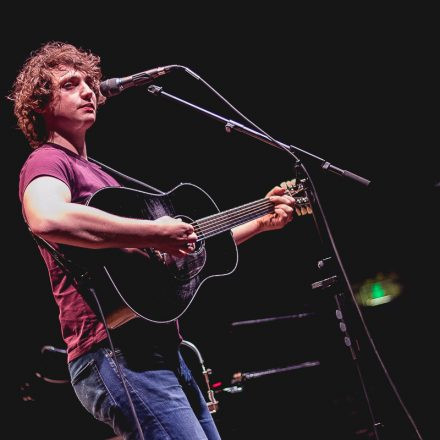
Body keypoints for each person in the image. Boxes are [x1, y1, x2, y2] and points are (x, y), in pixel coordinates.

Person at [11, 41, 296, 440]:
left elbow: (186, 250)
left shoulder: (100, 175)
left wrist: (261, 222)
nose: (89, 91)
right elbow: (47, 217)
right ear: (41, 103)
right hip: (115, 352)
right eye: (70, 84)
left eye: (90, 83)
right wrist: (155, 232)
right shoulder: (46, 161)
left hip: (157, 349)